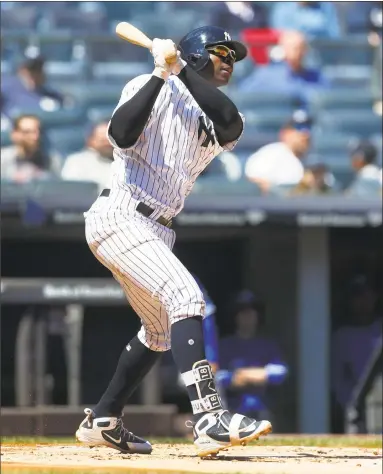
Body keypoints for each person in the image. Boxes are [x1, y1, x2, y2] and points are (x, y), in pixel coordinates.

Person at [75, 26, 272, 458]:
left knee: (160, 332)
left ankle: (104, 419)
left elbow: (229, 120)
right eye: (220, 52)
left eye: (233, 57)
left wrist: (179, 67)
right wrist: (160, 74)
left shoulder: (215, 112)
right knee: (186, 296)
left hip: (158, 227)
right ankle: (209, 417)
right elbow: (122, 136)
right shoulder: (148, 85)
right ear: (198, 53)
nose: (229, 61)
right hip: (121, 214)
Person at [216, 291, 288, 421]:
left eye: (251, 311)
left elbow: (281, 373)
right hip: (233, 411)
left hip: (264, 410)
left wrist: (247, 375)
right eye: (242, 311)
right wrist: (234, 379)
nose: (247, 316)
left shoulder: (268, 345)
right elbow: (217, 376)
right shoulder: (224, 345)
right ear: (235, 316)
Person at [332, 275, 382, 431]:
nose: (363, 301)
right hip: (356, 409)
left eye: (367, 295)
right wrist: (351, 403)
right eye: (357, 296)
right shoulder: (342, 336)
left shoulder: (380, 329)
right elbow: (336, 378)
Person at [238, 30, 329, 102]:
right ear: (283, 49)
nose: (298, 52)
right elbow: (242, 97)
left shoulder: (317, 77)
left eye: (301, 47)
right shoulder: (266, 75)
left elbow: (325, 102)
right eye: (294, 48)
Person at [244, 109, 312, 193]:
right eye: (299, 128)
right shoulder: (268, 155)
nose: (305, 134)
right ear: (285, 133)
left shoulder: (315, 161)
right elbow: (254, 182)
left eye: (308, 127)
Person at [1, 114, 61, 182]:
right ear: (15, 134)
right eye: (27, 132)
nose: (35, 137)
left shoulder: (51, 161)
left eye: (37, 132)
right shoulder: (2, 159)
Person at [61, 121, 114, 190]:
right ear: (91, 141)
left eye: (110, 141)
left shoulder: (126, 163)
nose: (107, 144)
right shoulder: (76, 162)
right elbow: (70, 190)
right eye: (102, 141)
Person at [271, 2, 340, 39]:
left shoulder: (327, 7)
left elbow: (334, 38)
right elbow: (279, 37)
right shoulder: (282, 8)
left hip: (321, 59)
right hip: (289, 61)